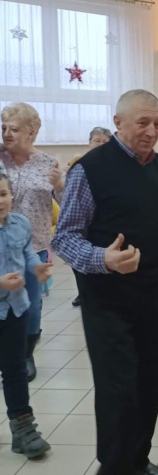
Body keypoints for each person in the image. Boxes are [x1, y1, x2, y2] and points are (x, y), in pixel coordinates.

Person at [52, 89, 158, 475]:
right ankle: (115, 467)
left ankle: (137, 460)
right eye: (143, 122)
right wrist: (103, 259)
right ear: (118, 122)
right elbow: (65, 237)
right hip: (106, 301)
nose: (152, 131)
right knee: (118, 390)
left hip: (151, 295)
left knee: (149, 383)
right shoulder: (90, 169)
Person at [0, 102, 63, 382]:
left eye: (14, 129)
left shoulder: (48, 163)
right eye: (3, 128)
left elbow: (66, 203)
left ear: (32, 132)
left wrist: (59, 185)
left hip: (35, 246)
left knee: (32, 305)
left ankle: (25, 354)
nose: (7, 134)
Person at [0, 167, 52, 459]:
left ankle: (23, 430)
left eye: (3, 194)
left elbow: (28, 252)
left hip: (15, 309)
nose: (0, 201)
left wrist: (36, 267)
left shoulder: (21, 223)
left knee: (15, 369)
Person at [69, 127, 113, 307]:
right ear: (89, 143)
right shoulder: (80, 166)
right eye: (97, 141)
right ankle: (83, 293)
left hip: (104, 225)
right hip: (81, 224)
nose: (100, 144)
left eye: (105, 142)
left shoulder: (115, 167)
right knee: (80, 261)